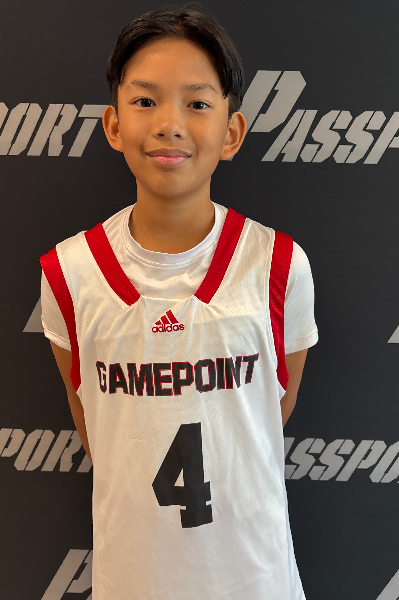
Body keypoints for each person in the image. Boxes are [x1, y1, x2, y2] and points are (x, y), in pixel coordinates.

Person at [40, 5, 318, 599]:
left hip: (256, 578)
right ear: (114, 125)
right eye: (145, 101)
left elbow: (272, 411)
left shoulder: (278, 264)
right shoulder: (70, 271)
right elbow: (92, 424)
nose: (169, 124)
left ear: (232, 132)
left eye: (196, 103)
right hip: (133, 580)